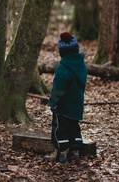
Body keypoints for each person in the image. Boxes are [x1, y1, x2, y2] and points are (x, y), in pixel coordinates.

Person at [45, 32, 88, 162]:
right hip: (77, 104)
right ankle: (75, 150)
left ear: (62, 52)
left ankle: (61, 150)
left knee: (59, 128)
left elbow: (58, 88)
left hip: (63, 106)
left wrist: (53, 102)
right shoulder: (81, 67)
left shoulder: (62, 69)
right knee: (74, 127)